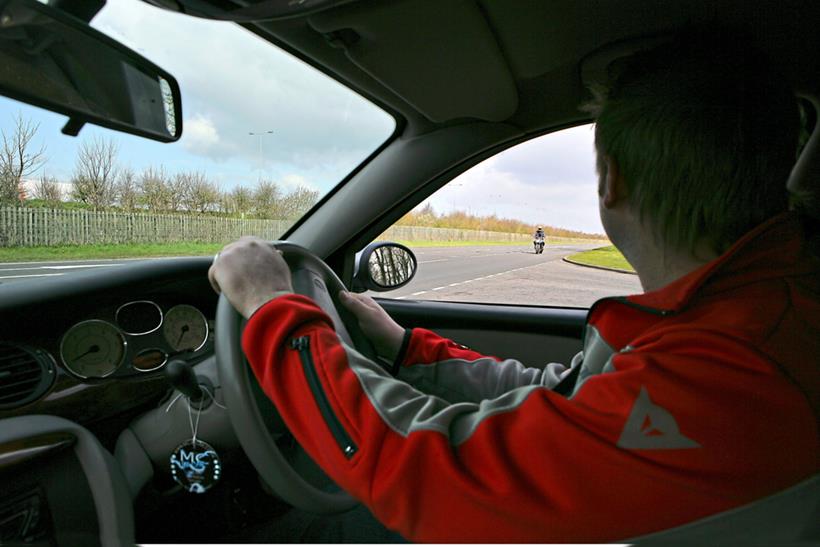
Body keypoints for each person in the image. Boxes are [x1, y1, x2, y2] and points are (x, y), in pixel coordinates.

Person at [208, 31, 819, 543]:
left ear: (612, 183)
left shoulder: (734, 373)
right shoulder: (738, 319)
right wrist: (403, 349)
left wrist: (271, 307)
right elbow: (563, 401)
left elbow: (432, 477)